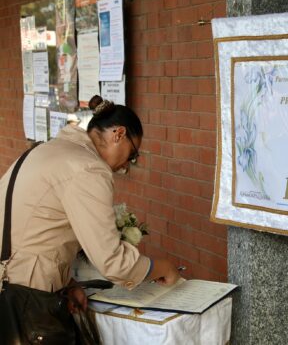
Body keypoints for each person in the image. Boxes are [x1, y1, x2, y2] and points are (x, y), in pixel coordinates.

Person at [0, 96, 180, 320]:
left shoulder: (45, 151)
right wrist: (162, 268)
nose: (126, 166)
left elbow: (36, 233)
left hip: (11, 282)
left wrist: (67, 282)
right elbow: (112, 262)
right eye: (132, 155)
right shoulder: (88, 169)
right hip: (27, 296)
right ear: (119, 134)